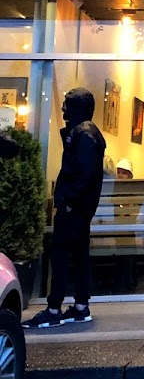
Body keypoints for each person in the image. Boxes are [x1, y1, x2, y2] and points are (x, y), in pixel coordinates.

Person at [24, 88, 106, 329]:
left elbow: (83, 174)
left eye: (67, 105)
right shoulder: (85, 133)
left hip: (75, 208)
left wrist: (68, 200)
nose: (62, 109)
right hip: (80, 208)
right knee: (79, 255)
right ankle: (80, 306)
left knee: (59, 254)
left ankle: (54, 309)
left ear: (77, 108)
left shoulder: (84, 135)